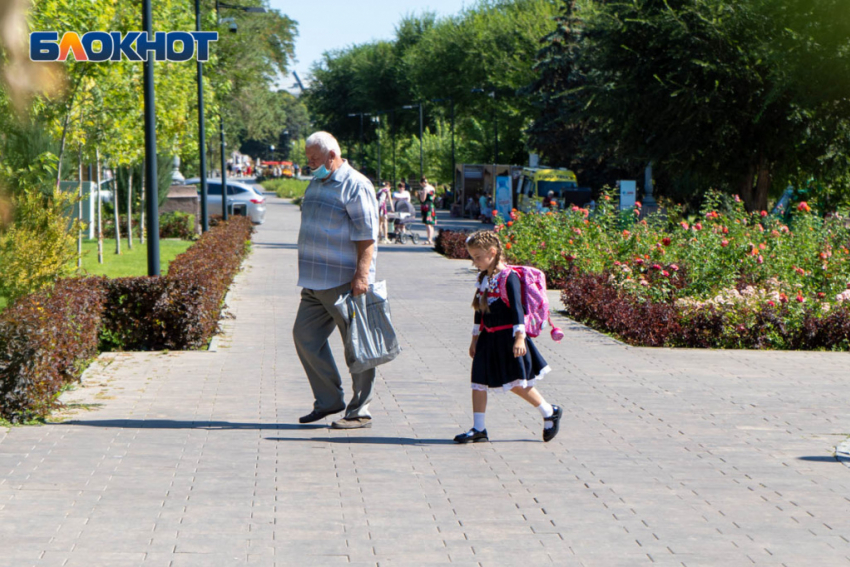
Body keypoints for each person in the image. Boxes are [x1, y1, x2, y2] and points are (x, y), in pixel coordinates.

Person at [294, 131, 380, 430]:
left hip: (344, 282)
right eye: (308, 159)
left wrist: (361, 275)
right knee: (305, 337)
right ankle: (329, 400)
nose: (310, 164)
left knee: (357, 347)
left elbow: (367, 235)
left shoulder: (356, 185)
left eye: (314, 159)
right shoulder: (317, 182)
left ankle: (360, 411)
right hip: (314, 281)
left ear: (332, 156)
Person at [454, 230, 562, 444]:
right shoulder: (484, 277)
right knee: (478, 381)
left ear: (492, 253)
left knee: (515, 383)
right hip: (487, 338)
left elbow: (518, 310)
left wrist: (520, 337)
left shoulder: (509, 277)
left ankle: (549, 411)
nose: (474, 262)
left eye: (478, 257)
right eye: (472, 257)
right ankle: (479, 428)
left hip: (508, 338)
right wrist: (474, 338)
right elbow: (479, 310)